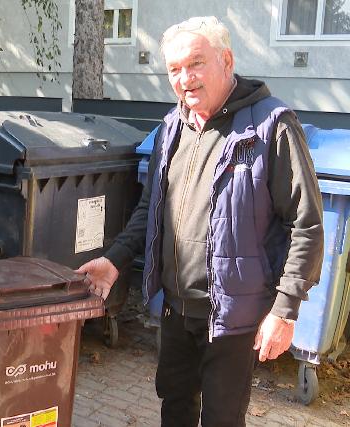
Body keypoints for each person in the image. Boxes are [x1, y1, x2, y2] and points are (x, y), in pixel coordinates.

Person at [77, 16, 324, 426]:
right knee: (174, 409)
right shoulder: (171, 128)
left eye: (195, 64)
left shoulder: (271, 126)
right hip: (175, 310)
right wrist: (115, 259)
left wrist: (285, 309)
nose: (184, 78)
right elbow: (150, 210)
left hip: (231, 318)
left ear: (225, 60)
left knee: (222, 419)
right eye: (174, 69)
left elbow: (307, 224)